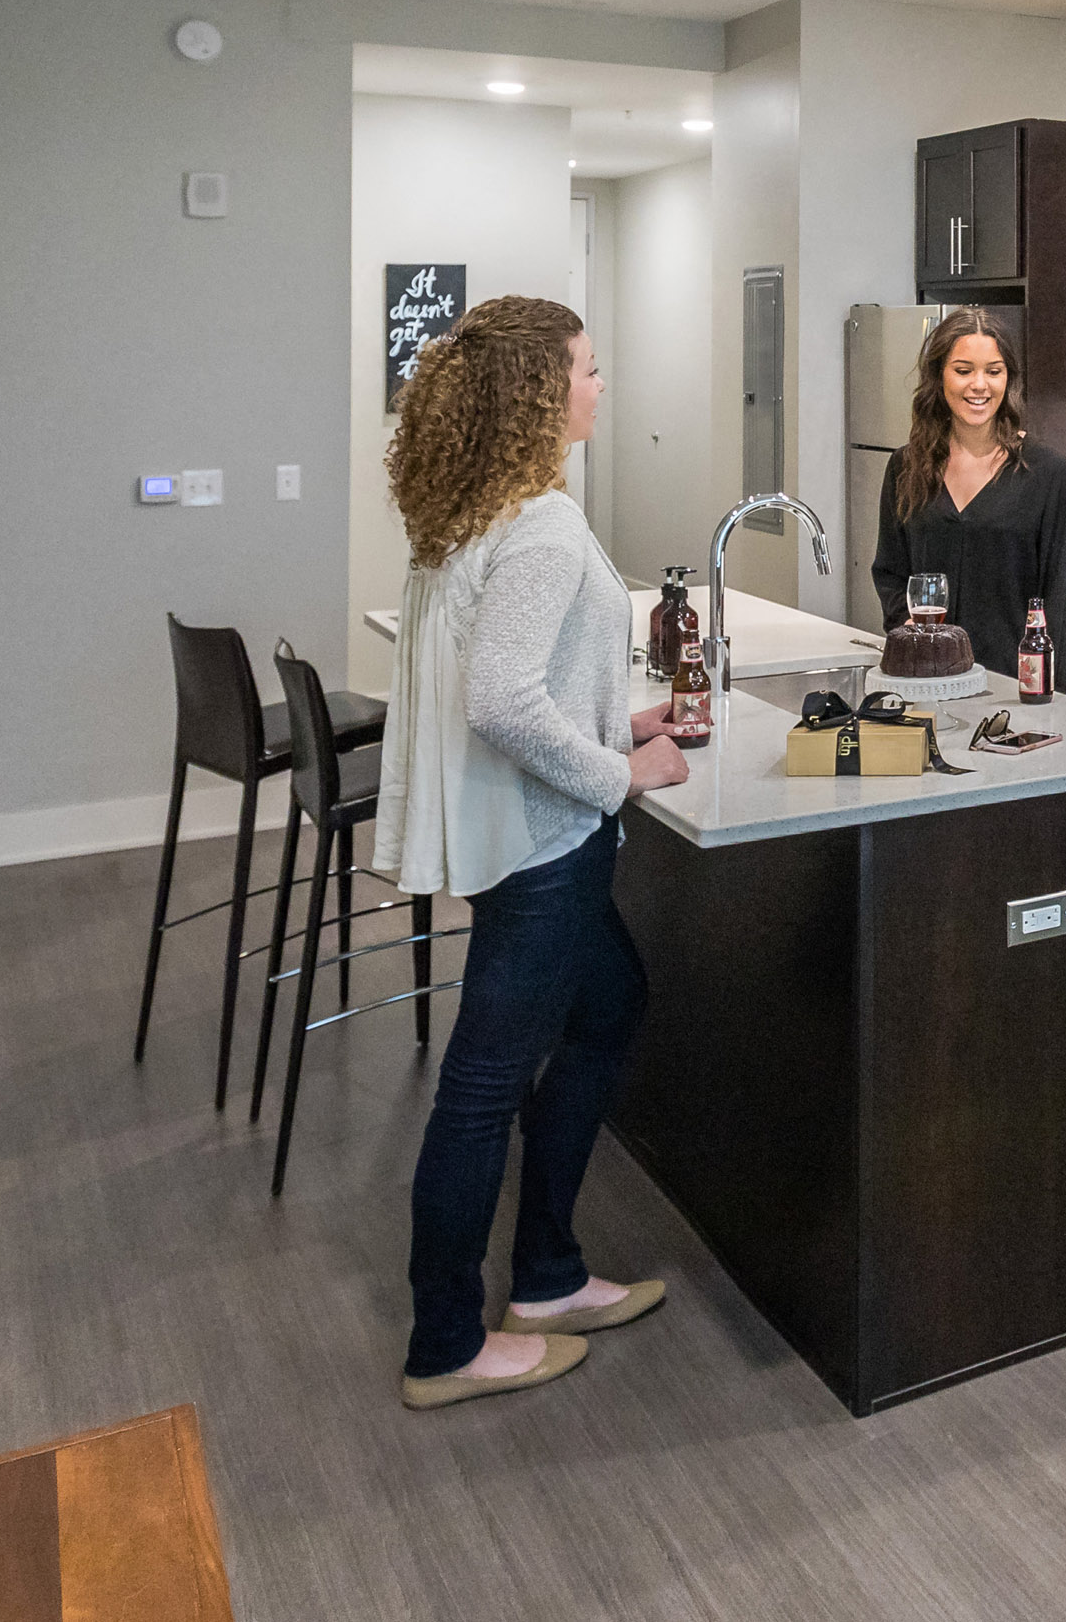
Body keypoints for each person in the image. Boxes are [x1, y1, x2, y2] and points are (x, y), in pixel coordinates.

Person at [369, 295, 691, 1410]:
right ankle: (446, 1342)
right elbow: (503, 701)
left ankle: (548, 1275)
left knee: (610, 1010)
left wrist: (617, 726)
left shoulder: (473, 512)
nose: (602, 387)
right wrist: (621, 772)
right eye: (590, 370)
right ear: (541, 393)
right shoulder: (543, 525)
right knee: (481, 1088)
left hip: (527, 833)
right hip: (548, 843)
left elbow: (517, 684)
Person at [862, 304, 1066, 688]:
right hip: (924, 679)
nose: (980, 385)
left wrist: (1050, 691)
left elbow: (1055, 597)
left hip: (1010, 685)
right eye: (963, 371)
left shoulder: (1046, 472)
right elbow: (890, 572)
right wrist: (908, 628)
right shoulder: (905, 466)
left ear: (1008, 380)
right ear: (939, 377)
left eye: (993, 372)